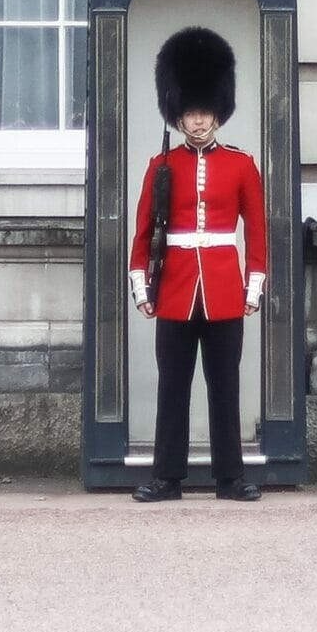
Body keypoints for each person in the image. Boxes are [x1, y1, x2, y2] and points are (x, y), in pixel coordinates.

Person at [129, 27, 266, 502]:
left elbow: (258, 232)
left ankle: (231, 478)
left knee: (225, 387)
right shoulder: (159, 165)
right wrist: (143, 286)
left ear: (218, 112)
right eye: (190, 112)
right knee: (174, 387)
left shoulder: (242, 165)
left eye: (205, 111)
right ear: (178, 113)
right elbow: (144, 230)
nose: (199, 120)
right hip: (176, 288)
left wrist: (254, 287)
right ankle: (167, 477)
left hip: (226, 288)